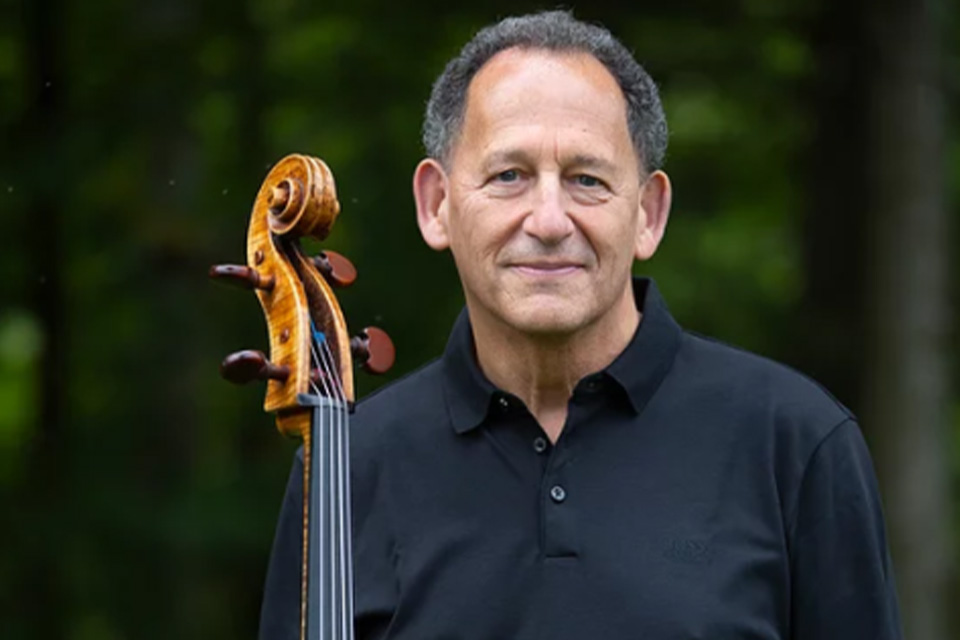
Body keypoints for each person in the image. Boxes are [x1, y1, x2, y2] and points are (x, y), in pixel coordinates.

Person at [259, 10, 902, 640]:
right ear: (437, 206)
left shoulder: (796, 444)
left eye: (586, 179)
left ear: (648, 214)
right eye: (508, 176)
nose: (548, 220)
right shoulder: (346, 469)